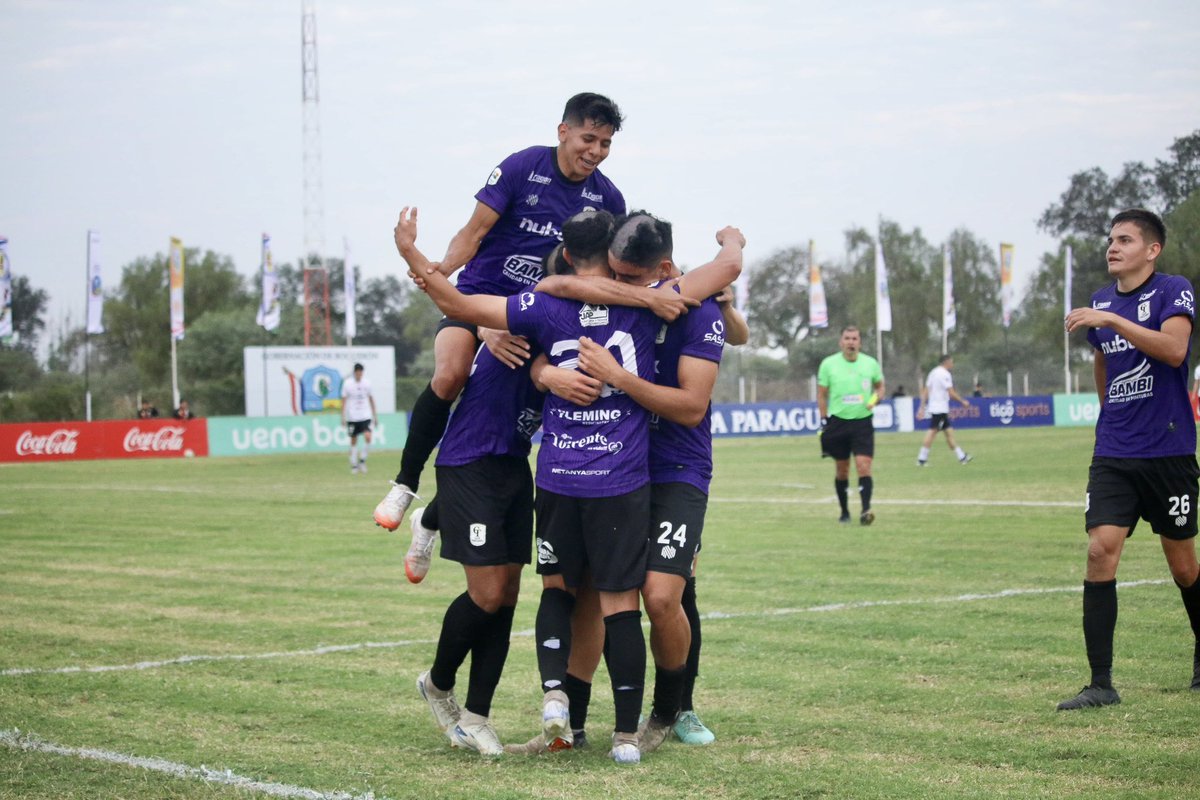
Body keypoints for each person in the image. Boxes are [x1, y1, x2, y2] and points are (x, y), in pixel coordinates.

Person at [396, 207, 736, 764]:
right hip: (590, 473)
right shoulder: (560, 303)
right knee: (577, 595)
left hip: (670, 467)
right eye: (616, 277)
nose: (625, 288)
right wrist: (543, 369)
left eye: (634, 279)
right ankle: (574, 723)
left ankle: (671, 709)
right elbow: (475, 307)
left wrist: (729, 244)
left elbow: (696, 393)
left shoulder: (677, 301)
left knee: (660, 595)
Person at [373, 93, 627, 535]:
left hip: (541, 318)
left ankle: (431, 520)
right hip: (480, 296)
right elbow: (474, 233)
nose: (596, 151)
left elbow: (610, 271)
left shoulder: (607, 198)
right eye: (589, 138)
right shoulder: (522, 167)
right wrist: (443, 271)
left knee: (508, 429)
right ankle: (405, 483)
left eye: (605, 143)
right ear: (563, 131)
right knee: (451, 374)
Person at [1059, 208, 1200, 710]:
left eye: (1124, 240)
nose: (1112, 247)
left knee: (1183, 566)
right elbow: (1103, 357)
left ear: (1152, 250)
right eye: (1110, 240)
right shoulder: (1100, 300)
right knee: (1100, 550)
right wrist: (1111, 416)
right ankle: (1101, 683)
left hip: (1170, 449)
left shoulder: (1172, 289)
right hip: (1115, 450)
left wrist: (1113, 318)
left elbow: (1175, 351)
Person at [817, 326, 885, 525]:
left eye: (855, 338)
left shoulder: (870, 364)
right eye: (847, 338)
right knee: (842, 470)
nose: (851, 342)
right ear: (841, 342)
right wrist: (823, 419)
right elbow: (822, 394)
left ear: (860, 342)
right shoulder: (828, 364)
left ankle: (865, 510)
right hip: (838, 422)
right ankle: (844, 512)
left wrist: (874, 399)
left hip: (863, 422)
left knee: (864, 466)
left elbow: (880, 388)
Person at [916, 354, 971, 466]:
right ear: (946, 362)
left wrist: (922, 407)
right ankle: (921, 459)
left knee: (949, 433)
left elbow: (926, 390)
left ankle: (962, 457)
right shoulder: (945, 374)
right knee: (932, 432)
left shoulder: (933, 372)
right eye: (951, 362)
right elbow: (951, 393)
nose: (952, 364)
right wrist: (962, 402)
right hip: (940, 408)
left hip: (936, 407)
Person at [341, 363, 377, 475]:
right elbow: (344, 400)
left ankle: (362, 461)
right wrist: (343, 416)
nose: (359, 374)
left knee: (368, 437)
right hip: (352, 416)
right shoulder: (347, 384)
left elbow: (371, 399)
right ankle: (354, 464)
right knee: (353, 440)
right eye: (357, 372)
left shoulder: (367, 383)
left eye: (360, 372)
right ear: (354, 372)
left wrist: (375, 415)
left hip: (365, 415)